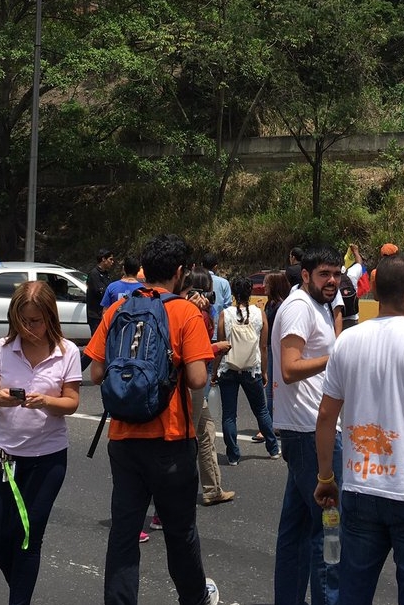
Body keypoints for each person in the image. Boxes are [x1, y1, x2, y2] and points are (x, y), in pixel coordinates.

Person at [313, 252, 404, 605]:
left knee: (353, 591)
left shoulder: (347, 340)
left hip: (361, 488)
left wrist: (325, 478)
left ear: (375, 290)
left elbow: (326, 417)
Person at [85, 234, 221, 605]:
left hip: (123, 440)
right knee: (180, 532)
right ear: (179, 272)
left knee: (125, 535)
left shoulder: (117, 310)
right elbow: (196, 380)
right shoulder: (185, 312)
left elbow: (96, 373)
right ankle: (194, 597)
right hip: (171, 440)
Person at [0, 281, 81, 605]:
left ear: (50, 317)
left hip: (48, 458)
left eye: (35, 321)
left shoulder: (67, 352)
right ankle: (20, 590)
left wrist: (48, 402)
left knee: (28, 538)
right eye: (22, 321)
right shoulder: (2, 348)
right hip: (3, 455)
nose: (28, 328)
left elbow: (72, 402)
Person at [272, 245, 344, 605]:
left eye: (336, 273)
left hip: (305, 429)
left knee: (297, 529)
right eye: (324, 274)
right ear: (305, 275)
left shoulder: (316, 304)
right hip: (310, 430)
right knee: (327, 530)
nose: (332, 281)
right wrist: (337, 357)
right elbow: (289, 368)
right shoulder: (300, 307)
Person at [179, 267, 236, 505]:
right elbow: (194, 351)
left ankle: (213, 489)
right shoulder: (191, 314)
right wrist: (217, 347)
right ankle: (173, 492)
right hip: (189, 383)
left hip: (188, 383)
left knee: (205, 432)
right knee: (186, 440)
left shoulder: (197, 311)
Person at [217, 276, 280, 464]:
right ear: (250, 291)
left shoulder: (225, 314)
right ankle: (273, 448)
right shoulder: (259, 314)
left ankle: (233, 455)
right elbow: (263, 347)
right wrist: (265, 371)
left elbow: (220, 348)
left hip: (228, 368)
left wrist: (213, 373)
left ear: (234, 294)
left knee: (229, 414)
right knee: (261, 410)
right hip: (252, 369)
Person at [259, 271, 292, 428]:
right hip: (270, 347)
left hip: (275, 348)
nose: (264, 286)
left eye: (267, 283)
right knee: (271, 387)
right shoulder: (270, 304)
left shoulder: (280, 306)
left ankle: (271, 424)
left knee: (272, 387)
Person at [202, 252, 233, 330]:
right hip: (219, 328)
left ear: (202, 265)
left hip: (201, 327)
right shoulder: (224, 283)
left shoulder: (195, 280)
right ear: (215, 267)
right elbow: (227, 306)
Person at [86, 249, 114, 336]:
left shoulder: (106, 274)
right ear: (103, 259)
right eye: (110, 259)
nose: (112, 262)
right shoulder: (94, 274)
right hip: (96, 315)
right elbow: (101, 292)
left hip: (104, 313)